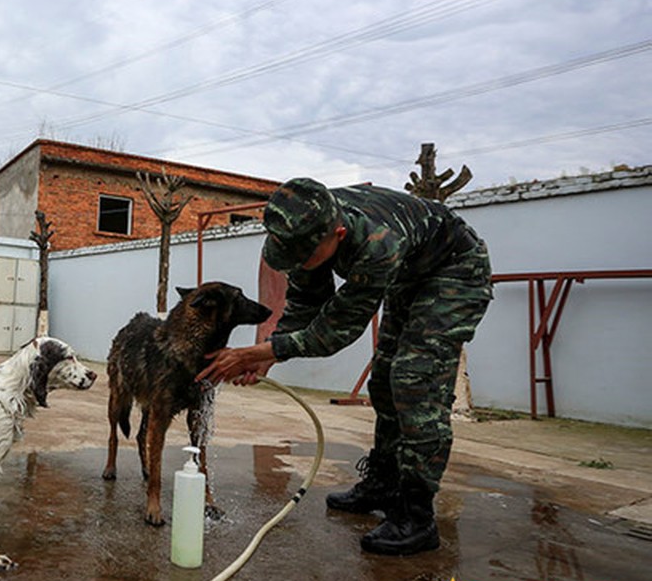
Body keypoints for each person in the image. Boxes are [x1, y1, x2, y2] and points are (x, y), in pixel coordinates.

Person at [197, 177, 492, 556]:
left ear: (337, 234)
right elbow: (304, 303)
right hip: (409, 276)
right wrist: (268, 353)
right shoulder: (305, 226)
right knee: (383, 379)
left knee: (414, 380)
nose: (299, 264)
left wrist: (254, 354)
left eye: (304, 257)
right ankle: (383, 483)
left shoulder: (377, 244)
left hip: (455, 271)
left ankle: (416, 517)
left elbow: (332, 333)